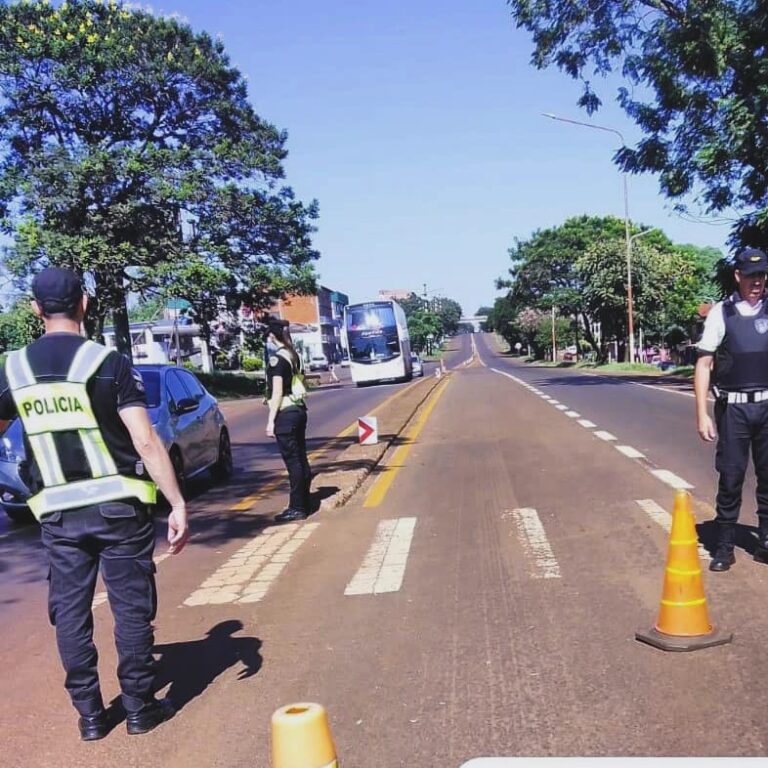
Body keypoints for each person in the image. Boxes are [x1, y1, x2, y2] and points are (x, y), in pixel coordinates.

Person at [0, 267, 190, 741]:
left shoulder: (13, 370)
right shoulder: (109, 363)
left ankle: (89, 715)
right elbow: (145, 440)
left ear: (35, 310)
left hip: (59, 517)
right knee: (130, 609)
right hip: (120, 510)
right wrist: (177, 503)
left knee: (70, 614)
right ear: (83, 304)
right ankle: (141, 708)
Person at [695, 247, 768, 572]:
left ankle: (765, 541)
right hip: (734, 410)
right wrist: (702, 413)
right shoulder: (721, 313)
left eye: (762, 275)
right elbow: (704, 363)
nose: (757, 281)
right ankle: (724, 547)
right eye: (751, 275)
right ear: (738, 276)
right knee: (732, 477)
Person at [264, 317, 311, 522]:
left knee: (293, 462)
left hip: (286, 413)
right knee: (301, 457)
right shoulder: (294, 355)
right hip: (299, 409)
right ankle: (304, 501)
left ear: (272, 336)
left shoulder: (277, 360)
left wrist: (270, 421)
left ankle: (297, 507)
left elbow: (276, 393)